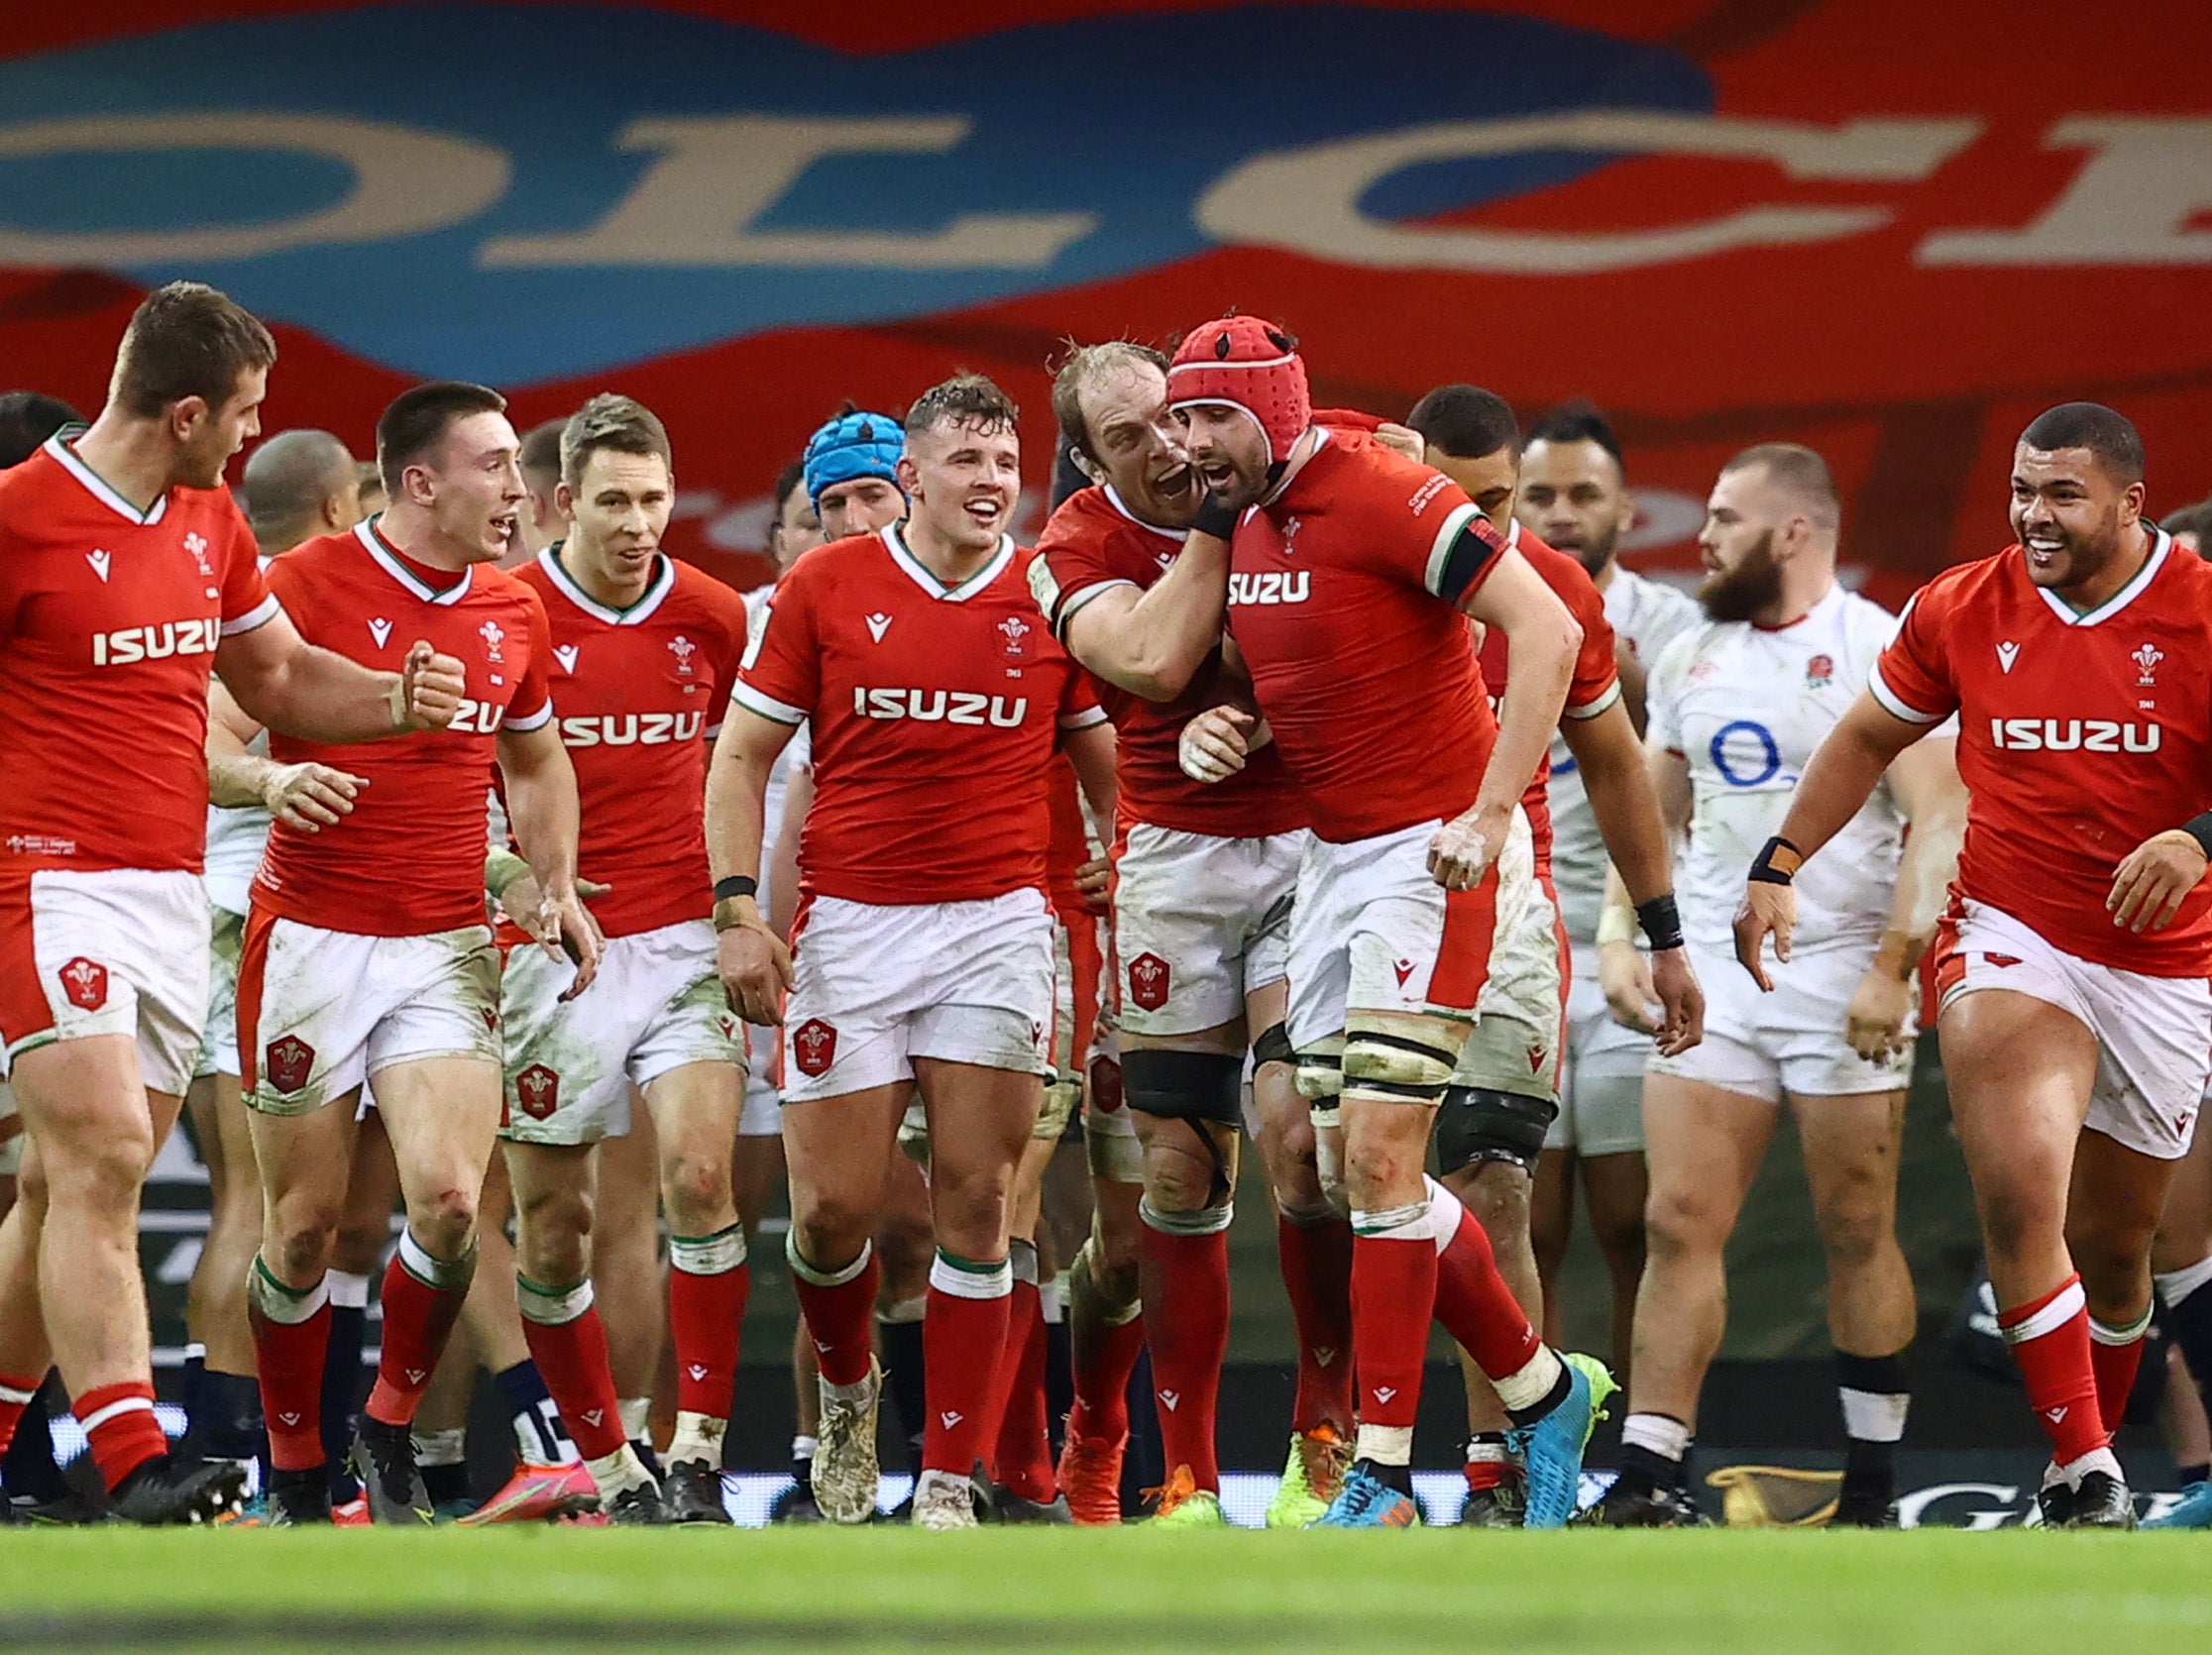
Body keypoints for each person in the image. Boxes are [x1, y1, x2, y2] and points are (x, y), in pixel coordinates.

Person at [0, 282, 465, 1523]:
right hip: (44, 881)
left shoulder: (209, 521)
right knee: (99, 1154)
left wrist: (398, 702)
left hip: (164, 890)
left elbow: (280, 672)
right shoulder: (16, 518)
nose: (253, 438)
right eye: (246, 415)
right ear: (190, 408)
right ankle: (131, 1460)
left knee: (62, 1185)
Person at [1736, 402, 2212, 1528]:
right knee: (2017, 1186)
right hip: (2012, 929)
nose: (2033, 516)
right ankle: (2086, 1467)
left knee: (2114, 1246)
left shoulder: (2200, 610)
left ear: (2131, 503)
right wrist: (1779, 858)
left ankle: (2087, 1443)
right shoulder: (1962, 602)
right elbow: (1863, 736)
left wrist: (2198, 839)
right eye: (2021, 490)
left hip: (2162, 960)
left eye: (2062, 495)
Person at [1162, 315, 1599, 1528]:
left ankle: (1387, 1476)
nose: (1194, 444)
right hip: (1337, 858)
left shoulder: (1387, 490)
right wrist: (1230, 726)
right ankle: (1543, 1386)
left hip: (1434, 851)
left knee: (1384, 1161)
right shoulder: (1247, 522)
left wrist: (1491, 809)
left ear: (1278, 411)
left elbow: (1548, 627)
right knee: (1341, 1162)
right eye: (1184, 420)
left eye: (1215, 417)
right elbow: (1302, 669)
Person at [709, 374, 1117, 1529]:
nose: (992, 483)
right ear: (913, 478)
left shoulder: (1050, 593)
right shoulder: (824, 585)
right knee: (834, 1215)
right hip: (849, 927)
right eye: (969, 462)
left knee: (978, 1204)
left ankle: (946, 1477)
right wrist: (741, 911)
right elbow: (740, 759)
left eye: (1006, 463)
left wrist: (1114, 854)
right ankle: (844, 1393)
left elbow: (1102, 761)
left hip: (996, 927)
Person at [231, 380, 598, 1525]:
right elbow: (196, 730)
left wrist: (554, 882)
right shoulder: (300, 584)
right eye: (493, 466)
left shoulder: (512, 609)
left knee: (446, 1203)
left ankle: (383, 1424)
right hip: (308, 933)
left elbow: (535, 761)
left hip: (442, 938)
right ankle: (294, 1470)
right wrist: (272, 776)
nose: (518, 490)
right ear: (418, 481)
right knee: (302, 1230)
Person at [1587, 443, 1964, 1526]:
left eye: (1722, 516)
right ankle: (1653, 1473)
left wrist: (1898, 968)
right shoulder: (1694, 650)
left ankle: (1876, 1485)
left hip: (1841, 960)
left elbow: (1940, 815)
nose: (1699, 536)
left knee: (1857, 1223)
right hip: (1714, 965)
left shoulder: (1876, 646)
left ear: (1793, 531)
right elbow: (1651, 813)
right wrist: (1627, 936)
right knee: (1678, 1216)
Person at [1032, 340, 1357, 1528]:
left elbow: (1396, 496)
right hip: (1170, 860)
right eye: (1131, 439)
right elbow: (1155, 656)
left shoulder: (1286, 451)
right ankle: (1171, 1465)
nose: (1171, 449)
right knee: (1170, 1179)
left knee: (1300, 1140)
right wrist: (1232, 513)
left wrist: (1268, 709)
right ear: (1086, 458)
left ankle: (1325, 1435)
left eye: (1180, 419)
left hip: (1309, 845)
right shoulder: (1073, 549)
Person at [1395, 385, 1700, 1525]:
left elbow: (1624, 769)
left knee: (1498, 1190)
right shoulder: (1348, 558)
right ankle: (1345, 1458)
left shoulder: (1557, 595)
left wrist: (1659, 934)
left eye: (1502, 501)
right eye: (1452, 501)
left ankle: (1510, 1467)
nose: (1486, 528)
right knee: (1347, 1188)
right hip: (1354, 901)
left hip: (1518, 914)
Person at [494, 393, 752, 1524]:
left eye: (654, 498)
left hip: (686, 936)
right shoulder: (506, 612)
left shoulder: (714, 613)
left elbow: (765, 761)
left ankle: (693, 1452)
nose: (639, 521)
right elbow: (453, 778)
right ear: (561, 502)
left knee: (699, 1181)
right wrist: (521, 877)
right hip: (550, 951)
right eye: (613, 501)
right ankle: (606, 1464)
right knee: (557, 1224)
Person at [185, 427, 369, 1494]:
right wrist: (266, 785)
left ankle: (264, 1458)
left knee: (287, 1214)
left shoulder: (223, 586)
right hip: (261, 912)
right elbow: (214, 745)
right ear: (342, 504)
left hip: (250, 913)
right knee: (261, 1212)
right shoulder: (282, 603)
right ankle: (231, 1458)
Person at [1510, 399, 1701, 1377]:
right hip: (1519, 946)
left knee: (1634, 1221)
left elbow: (1688, 786)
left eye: (1584, 493)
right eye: (1538, 494)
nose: (1560, 512)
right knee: (1523, 1222)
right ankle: (1530, 1447)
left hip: (1628, 947)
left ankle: (1634, 1446)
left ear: (1628, 508)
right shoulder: (1481, 605)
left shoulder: (1676, 628)